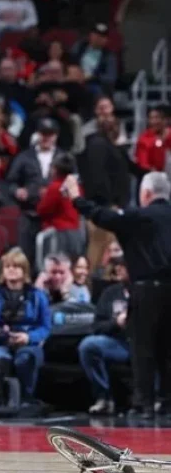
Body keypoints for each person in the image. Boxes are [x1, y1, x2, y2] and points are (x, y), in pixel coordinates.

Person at [64, 171, 171, 419]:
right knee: (168, 350)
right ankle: (166, 403)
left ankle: (144, 405)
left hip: (146, 290)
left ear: (145, 194)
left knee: (143, 348)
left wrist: (76, 197)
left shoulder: (138, 217)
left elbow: (102, 216)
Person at [0, 248, 52, 408]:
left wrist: (29, 338)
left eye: (16, 266)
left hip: (27, 342)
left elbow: (45, 327)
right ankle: (0, 400)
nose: (11, 270)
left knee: (26, 359)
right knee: (1, 359)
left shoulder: (38, 296)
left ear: (24, 271)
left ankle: (26, 399)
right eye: (7, 266)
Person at [78, 256, 130, 415]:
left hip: (145, 343)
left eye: (123, 265)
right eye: (117, 266)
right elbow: (97, 325)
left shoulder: (149, 293)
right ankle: (104, 397)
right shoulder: (110, 293)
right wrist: (116, 323)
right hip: (118, 343)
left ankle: (156, 400)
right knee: (89, 345)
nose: (118, 269)